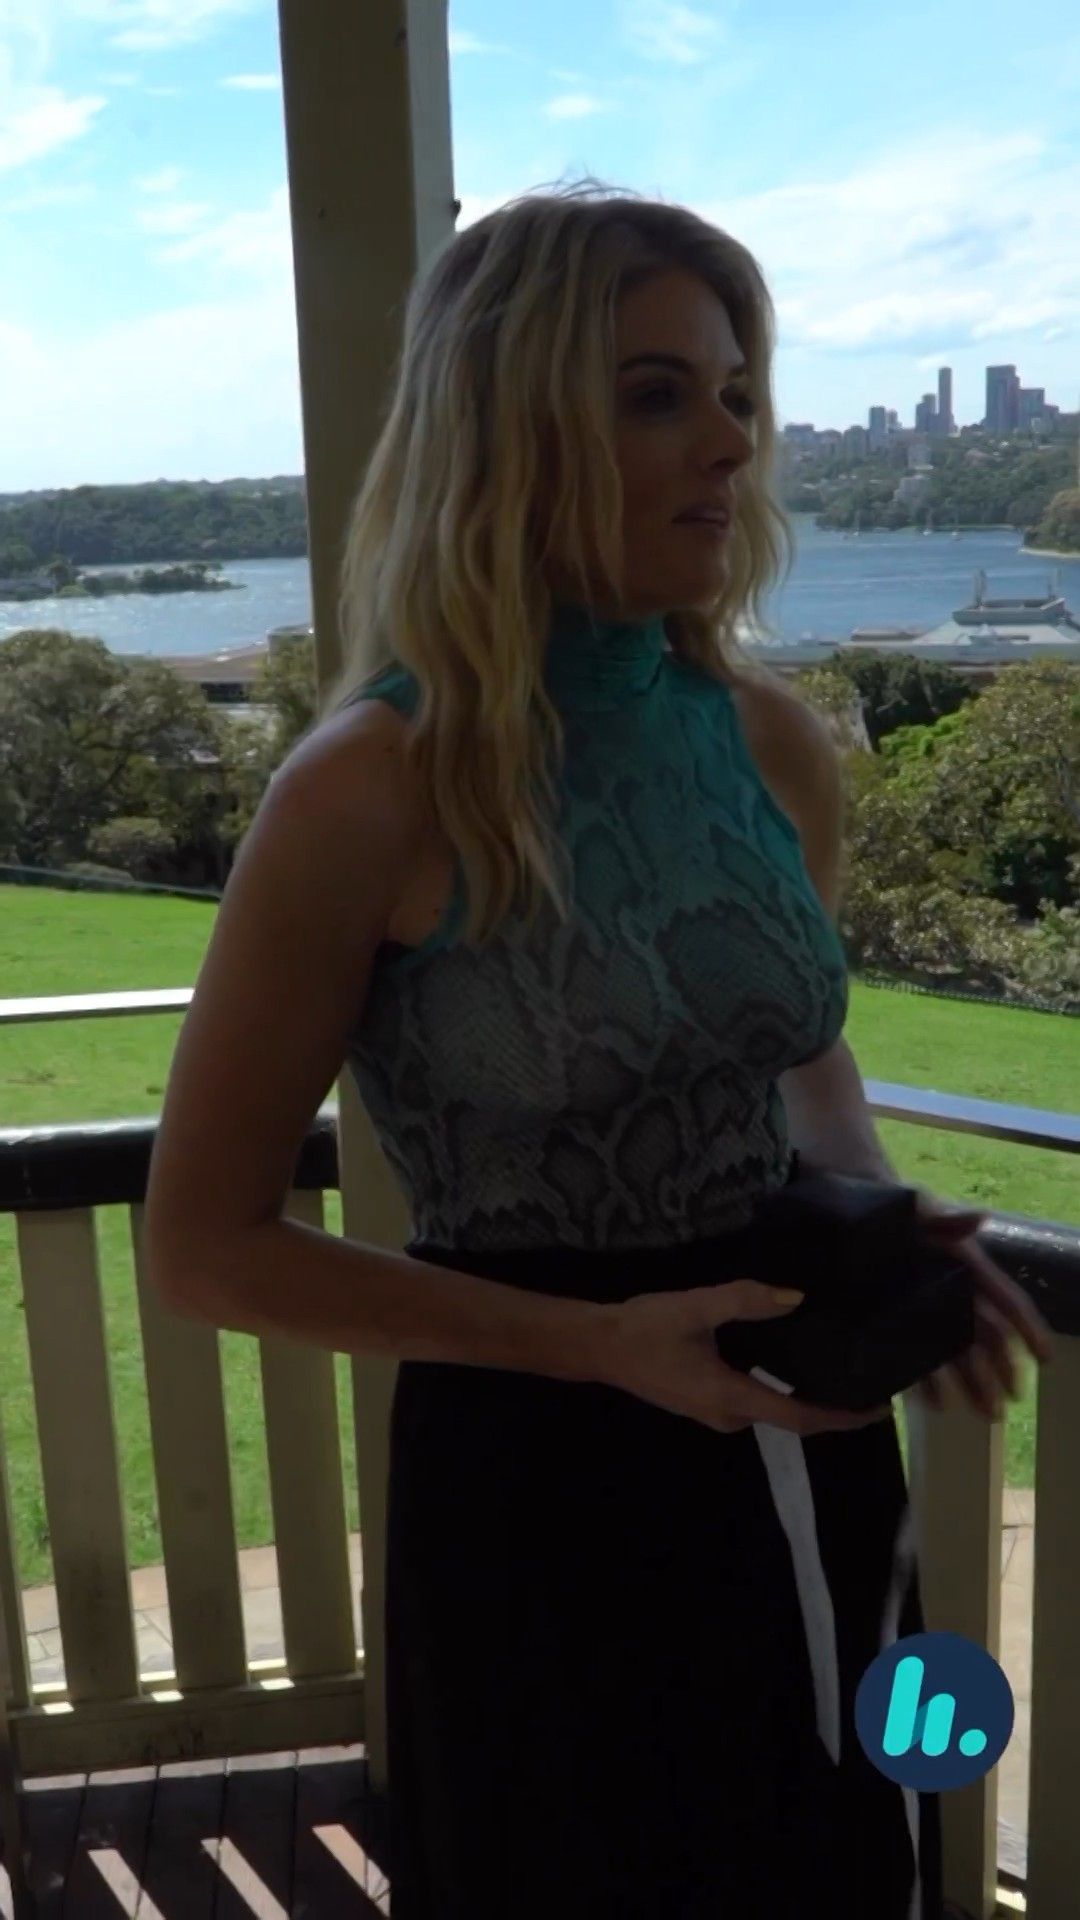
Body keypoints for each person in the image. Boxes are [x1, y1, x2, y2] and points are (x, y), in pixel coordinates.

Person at [144, 178, 1052, 1919]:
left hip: (804, 1422)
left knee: (838, 1853)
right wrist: (600, 1349)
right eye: (655, 395)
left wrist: (880, 1212)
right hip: (543, 1473)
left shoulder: (770, 742)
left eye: (737, 394)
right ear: (508, 432)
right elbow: (202, 1246)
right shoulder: (370, 790)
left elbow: (794, 1052)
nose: (729, 443)